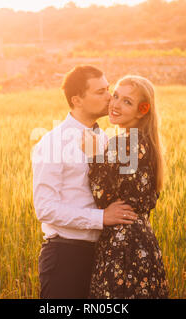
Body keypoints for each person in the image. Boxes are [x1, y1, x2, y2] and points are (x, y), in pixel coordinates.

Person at [32, 65, 138, 299]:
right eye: (100, 92)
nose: (110, 97)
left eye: (108, 89)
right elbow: (45, 208)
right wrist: (102, 218)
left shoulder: (106, 141)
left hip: (104, 255)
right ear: (77, 100)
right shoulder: (53, 143)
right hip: (65, 257)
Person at [81, 75, 169, 298]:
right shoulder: (147, 143)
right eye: (116, 96)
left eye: (127, 102)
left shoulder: (123, 143)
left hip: (122, 249)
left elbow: (101, 195)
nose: (116, 104)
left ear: (142, 111)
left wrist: (92, 154)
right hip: (145, 246)